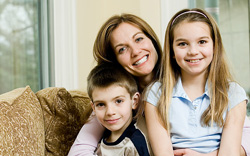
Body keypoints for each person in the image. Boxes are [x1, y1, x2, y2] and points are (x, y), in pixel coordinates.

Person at [68, 13, 250, 156]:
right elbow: (79, 151)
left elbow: (244, 136)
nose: (135, 51)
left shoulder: (210, 84)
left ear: (153, 41)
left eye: (139, 39)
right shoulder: (114, 102)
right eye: (122, 49)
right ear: (114, 61)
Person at [144, 8, 248, 156]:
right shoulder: (156, 93)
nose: (193, 51)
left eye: (202, 42)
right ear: (172, 51)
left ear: (214, 46)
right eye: (182, 44)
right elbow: (163, 153)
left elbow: (230, 152)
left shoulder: (233, 92)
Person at [86, 63, 150, 156]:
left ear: (134, 101)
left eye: (118, 101)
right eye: (101, 104)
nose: (110, 112)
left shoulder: (133, 144)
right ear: (93, 108)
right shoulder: (101, 138)